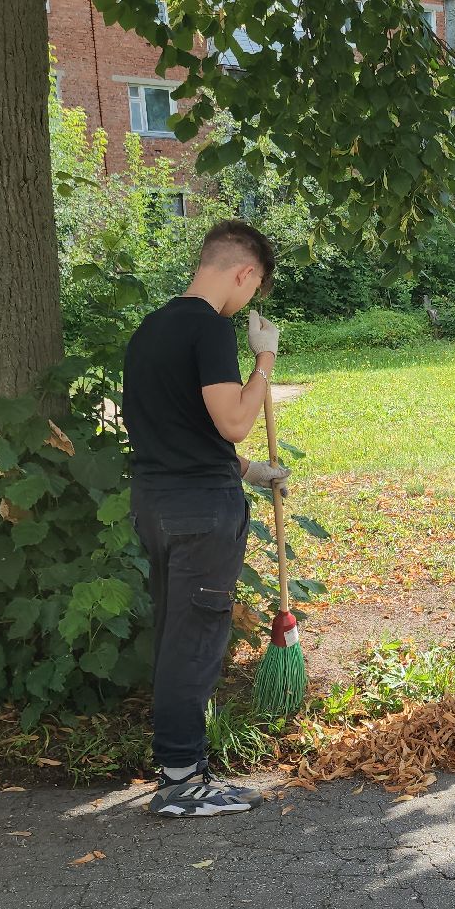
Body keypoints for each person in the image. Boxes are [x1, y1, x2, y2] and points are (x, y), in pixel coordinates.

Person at [122, 219, 291, 818]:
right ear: (244, 273)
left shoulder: (150, 330)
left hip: (157, 503)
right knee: (195, 638)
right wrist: (265, 360)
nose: (249, 303)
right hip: (201, 512)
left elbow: (180, 432)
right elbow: (234, 421)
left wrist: (248, 472)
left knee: (175, 630)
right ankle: (181, 781)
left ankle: (178, 766)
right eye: (254, 290)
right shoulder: (209, 329)